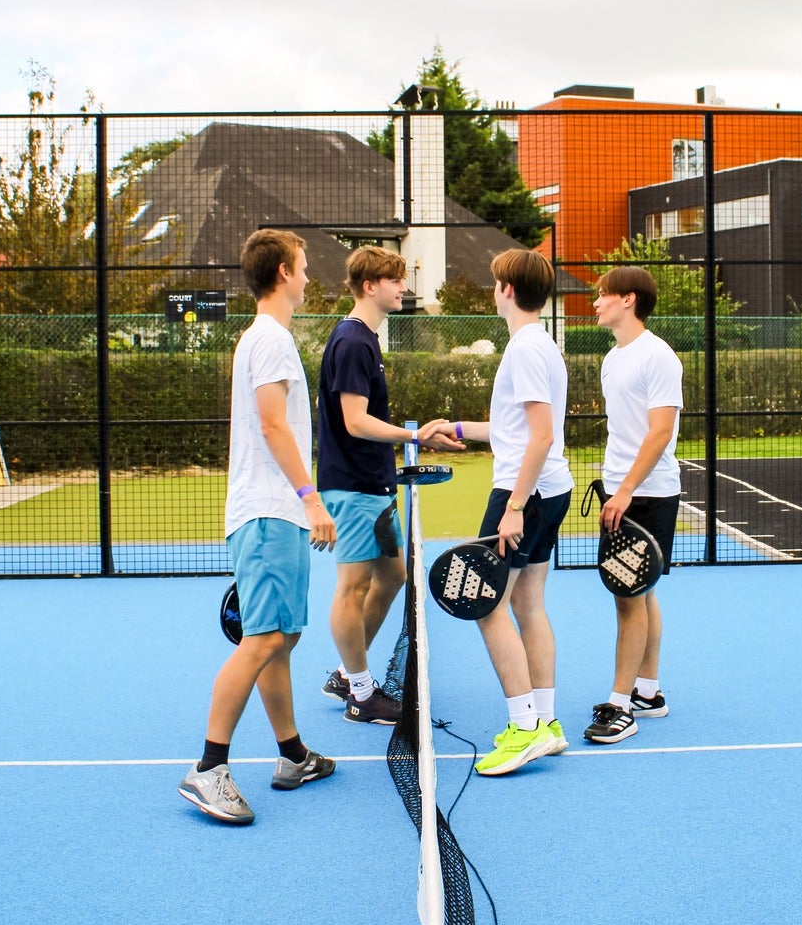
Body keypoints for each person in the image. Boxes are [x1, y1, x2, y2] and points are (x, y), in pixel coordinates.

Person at [179, 229, 337, 825]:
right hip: (271, 512)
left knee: (281, 638)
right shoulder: (270, 338)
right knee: (264, 640)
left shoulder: (266, 337)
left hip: (277, 514)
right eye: (303, 266)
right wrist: (311, 499)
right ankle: (208, 769)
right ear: (283, 273)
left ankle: (292, 755)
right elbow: (273, 426)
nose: (308, 276)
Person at [427, 249, 574, 777]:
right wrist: (457, 428)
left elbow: (541, 435)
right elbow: (517, 428)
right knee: (528, 604)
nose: (493, 291)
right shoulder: (540, 345)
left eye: (495, 283)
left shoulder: (525, 349)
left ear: (507, 290)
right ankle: (546, 723)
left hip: (524, 493)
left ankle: (525, 727)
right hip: (549, 489)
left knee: (486, 606)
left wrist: (514, 506)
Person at [316, 246, 461, 726]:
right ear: (369, 286)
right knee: (352, 587)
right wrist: (415, 437)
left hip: (374, 486)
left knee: (393, 575)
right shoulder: (352, 342)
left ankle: (346, 674)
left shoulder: (367, 340)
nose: (404, 287)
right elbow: (355, 421)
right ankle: (361, 693)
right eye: (395, 280)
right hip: (353, 488)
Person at [581, 266, 683, 746]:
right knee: (641, 592)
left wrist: (625, 490)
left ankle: (620, 705)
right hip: (621, 490)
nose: (595, 302)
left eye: (603, 294)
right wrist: (615, 488)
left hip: (648, 494)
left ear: (628, 300)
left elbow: (660, 432)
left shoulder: (658, 356)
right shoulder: (612, 358)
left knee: (629, 596)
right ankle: (647, 691)